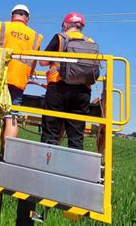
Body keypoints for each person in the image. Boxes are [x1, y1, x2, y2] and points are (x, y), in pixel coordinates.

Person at [40, 12, 98, 150]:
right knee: (76, 136)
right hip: (83, 92)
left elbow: (43, 61)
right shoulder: (90, 42)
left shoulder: (60, 38)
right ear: (81, 26)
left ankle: (46, 165)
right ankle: (74, 168)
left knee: (51, 131)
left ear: (66, 25)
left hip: (58, 88)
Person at [0, 4, 42, 140]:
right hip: (18, 81)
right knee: (11, 117)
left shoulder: (2, 26)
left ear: (12, 16)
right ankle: (6, 154)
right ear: (27, 18)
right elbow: (33, 63)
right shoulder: (35, 36)